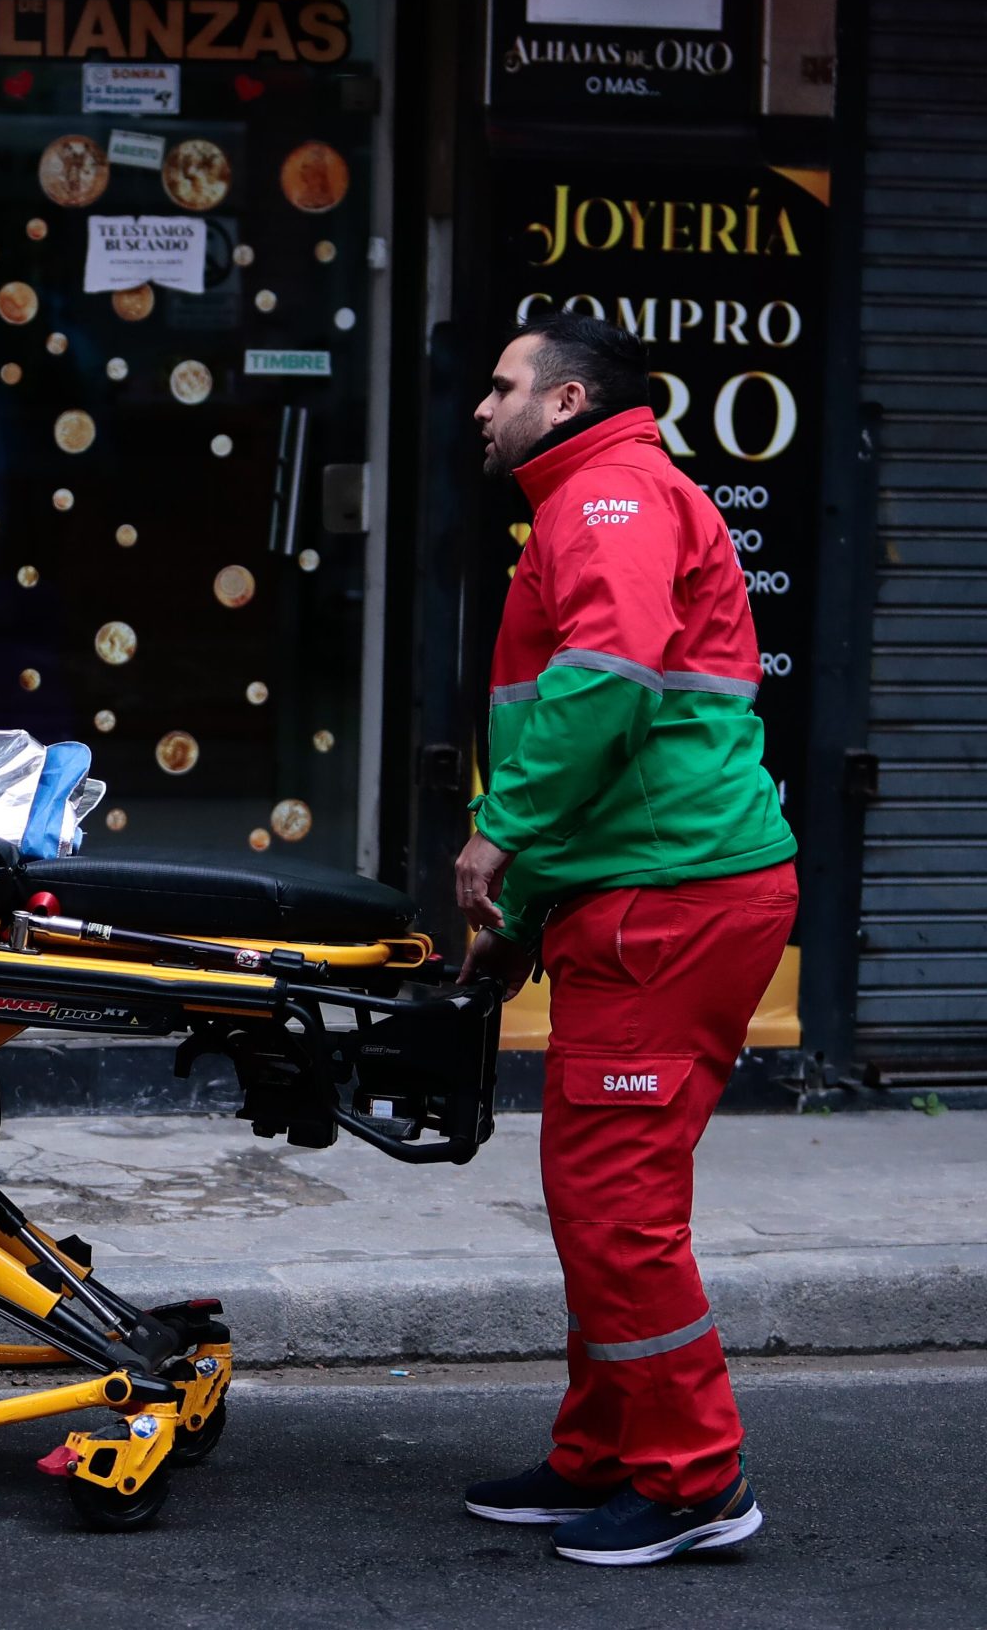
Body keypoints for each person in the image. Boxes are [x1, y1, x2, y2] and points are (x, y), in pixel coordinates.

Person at [453, 310, 797, 1565]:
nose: (480, 410)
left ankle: (696, 1480)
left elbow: (604, 685)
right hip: (649, 891)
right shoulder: (591, 497)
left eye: (501, 388)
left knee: (615, 1202)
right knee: (605, 1193)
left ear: (566, 398)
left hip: (673, 897)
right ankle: (601, 1455)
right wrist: (530, 905)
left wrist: (498, 836)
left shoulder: (609, 502)